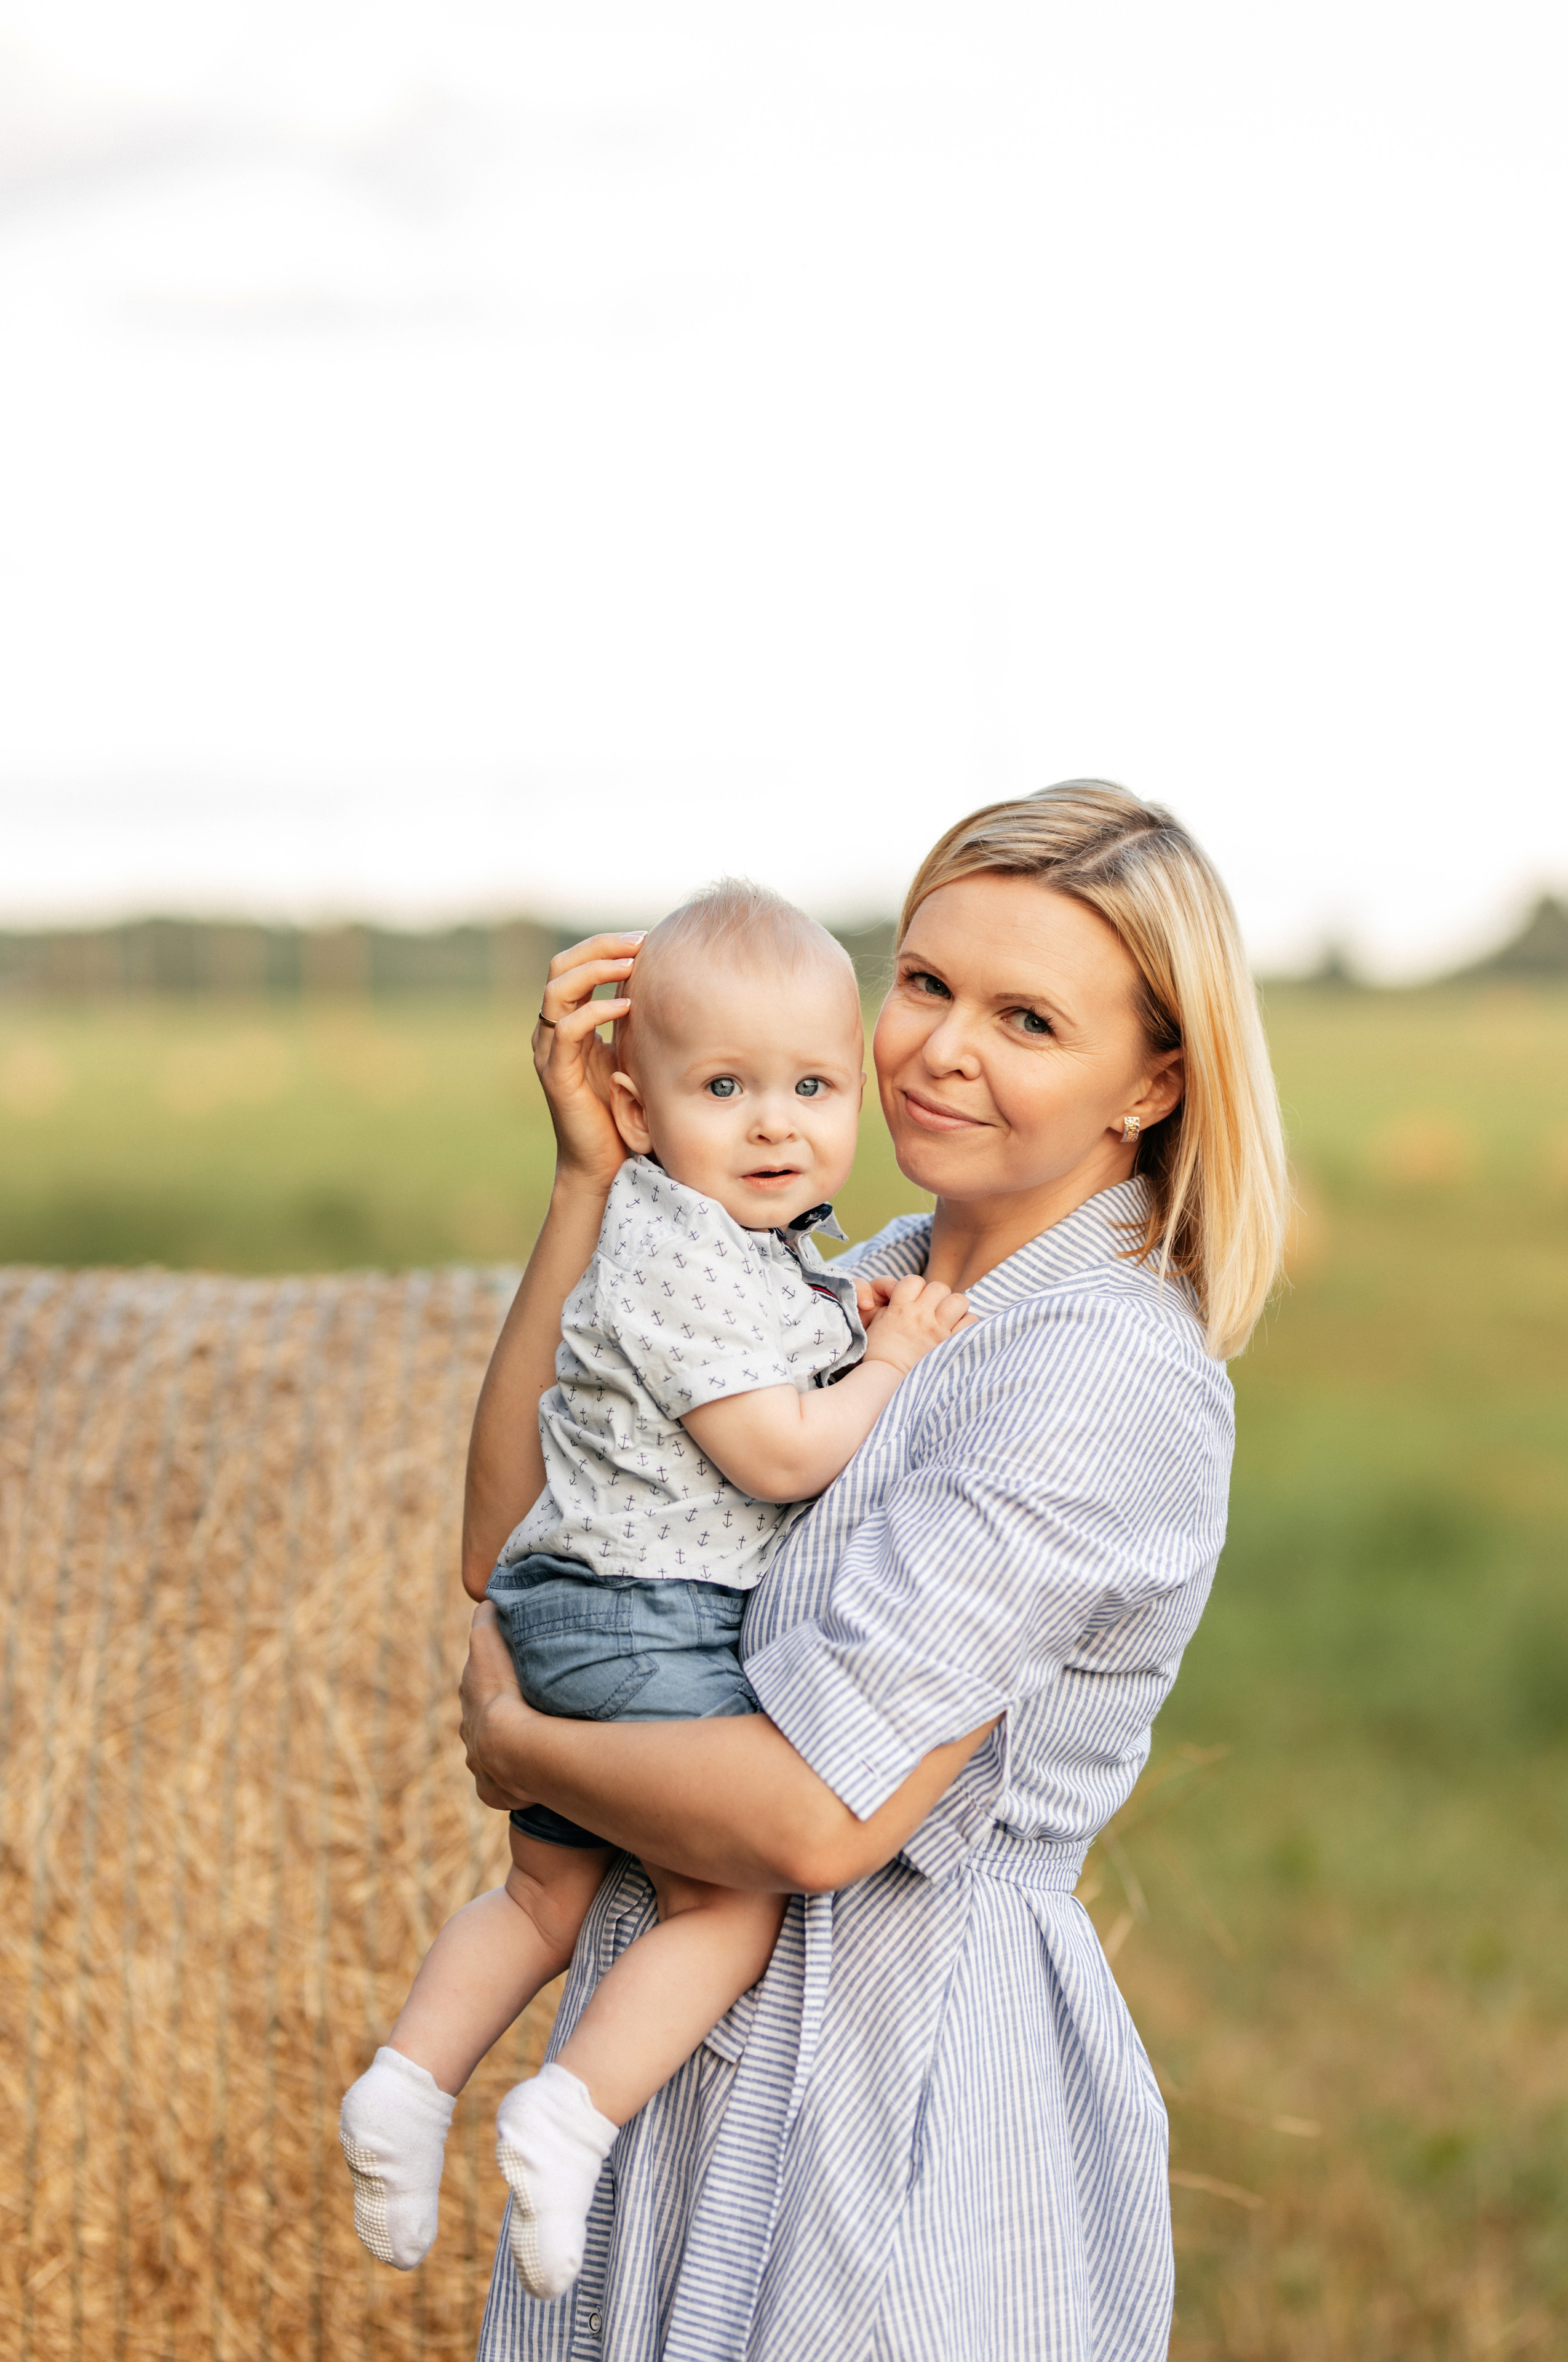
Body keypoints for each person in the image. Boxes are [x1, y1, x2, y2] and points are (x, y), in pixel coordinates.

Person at [459, 782, 1289, 2361]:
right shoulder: (838, 1283)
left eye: (1026, 1019)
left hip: (889, 2097)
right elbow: (508, 1549)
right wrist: (590, 1189)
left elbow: (816, 1822)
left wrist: (522, 1751)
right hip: (668, 2058)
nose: (934, 1050)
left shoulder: (1097, 1373)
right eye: (923, 983)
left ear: (1152, 1082)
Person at [340, 883, 970, 2297]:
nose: (774, 1123)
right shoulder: (678, 1245)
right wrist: (886, 1366)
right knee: (723, 1908)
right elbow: (776, 1453)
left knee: (540, 1893)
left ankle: (405, 2082)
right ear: (632, 1106)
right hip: (649, 1615)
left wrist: (844, 1322)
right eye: (725, 1086)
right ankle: (568, 2117)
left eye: (810, 1084)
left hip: (577, 1606)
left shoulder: (743, 1251)